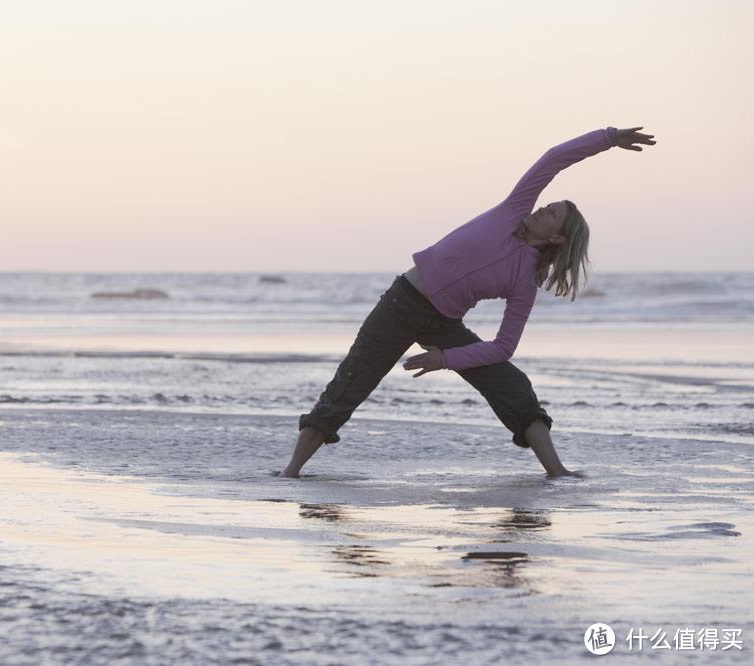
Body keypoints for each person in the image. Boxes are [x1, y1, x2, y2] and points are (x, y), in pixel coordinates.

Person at [279, 126, 656, 478]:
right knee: (349, 385)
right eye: (548, 205)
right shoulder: (513, 211)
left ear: (557, 239)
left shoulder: (524, 282)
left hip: (443, 324)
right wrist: (608, 138)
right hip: (400, 304)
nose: (542, 209)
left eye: (551, 213)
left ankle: (558, 473)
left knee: (514, 387)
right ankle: (290, 474)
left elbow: (504, 347)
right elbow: (554, 159)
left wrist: (447, 359)